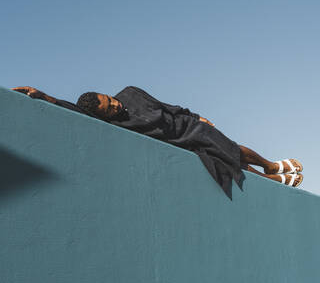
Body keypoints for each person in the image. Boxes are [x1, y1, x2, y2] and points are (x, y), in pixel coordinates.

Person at [12, 85, 303, 199]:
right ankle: (274, 181)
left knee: (231, 148)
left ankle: (270, 165)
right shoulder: (111, 121)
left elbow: (168, 105)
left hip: (188, 127)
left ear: (107, 94)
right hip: (181, 144)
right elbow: (73, 110)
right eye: (107, 109)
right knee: (225, 163)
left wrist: (199, 117)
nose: (114, 107)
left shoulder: (131, 92)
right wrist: (46, 97)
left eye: (110, 101)